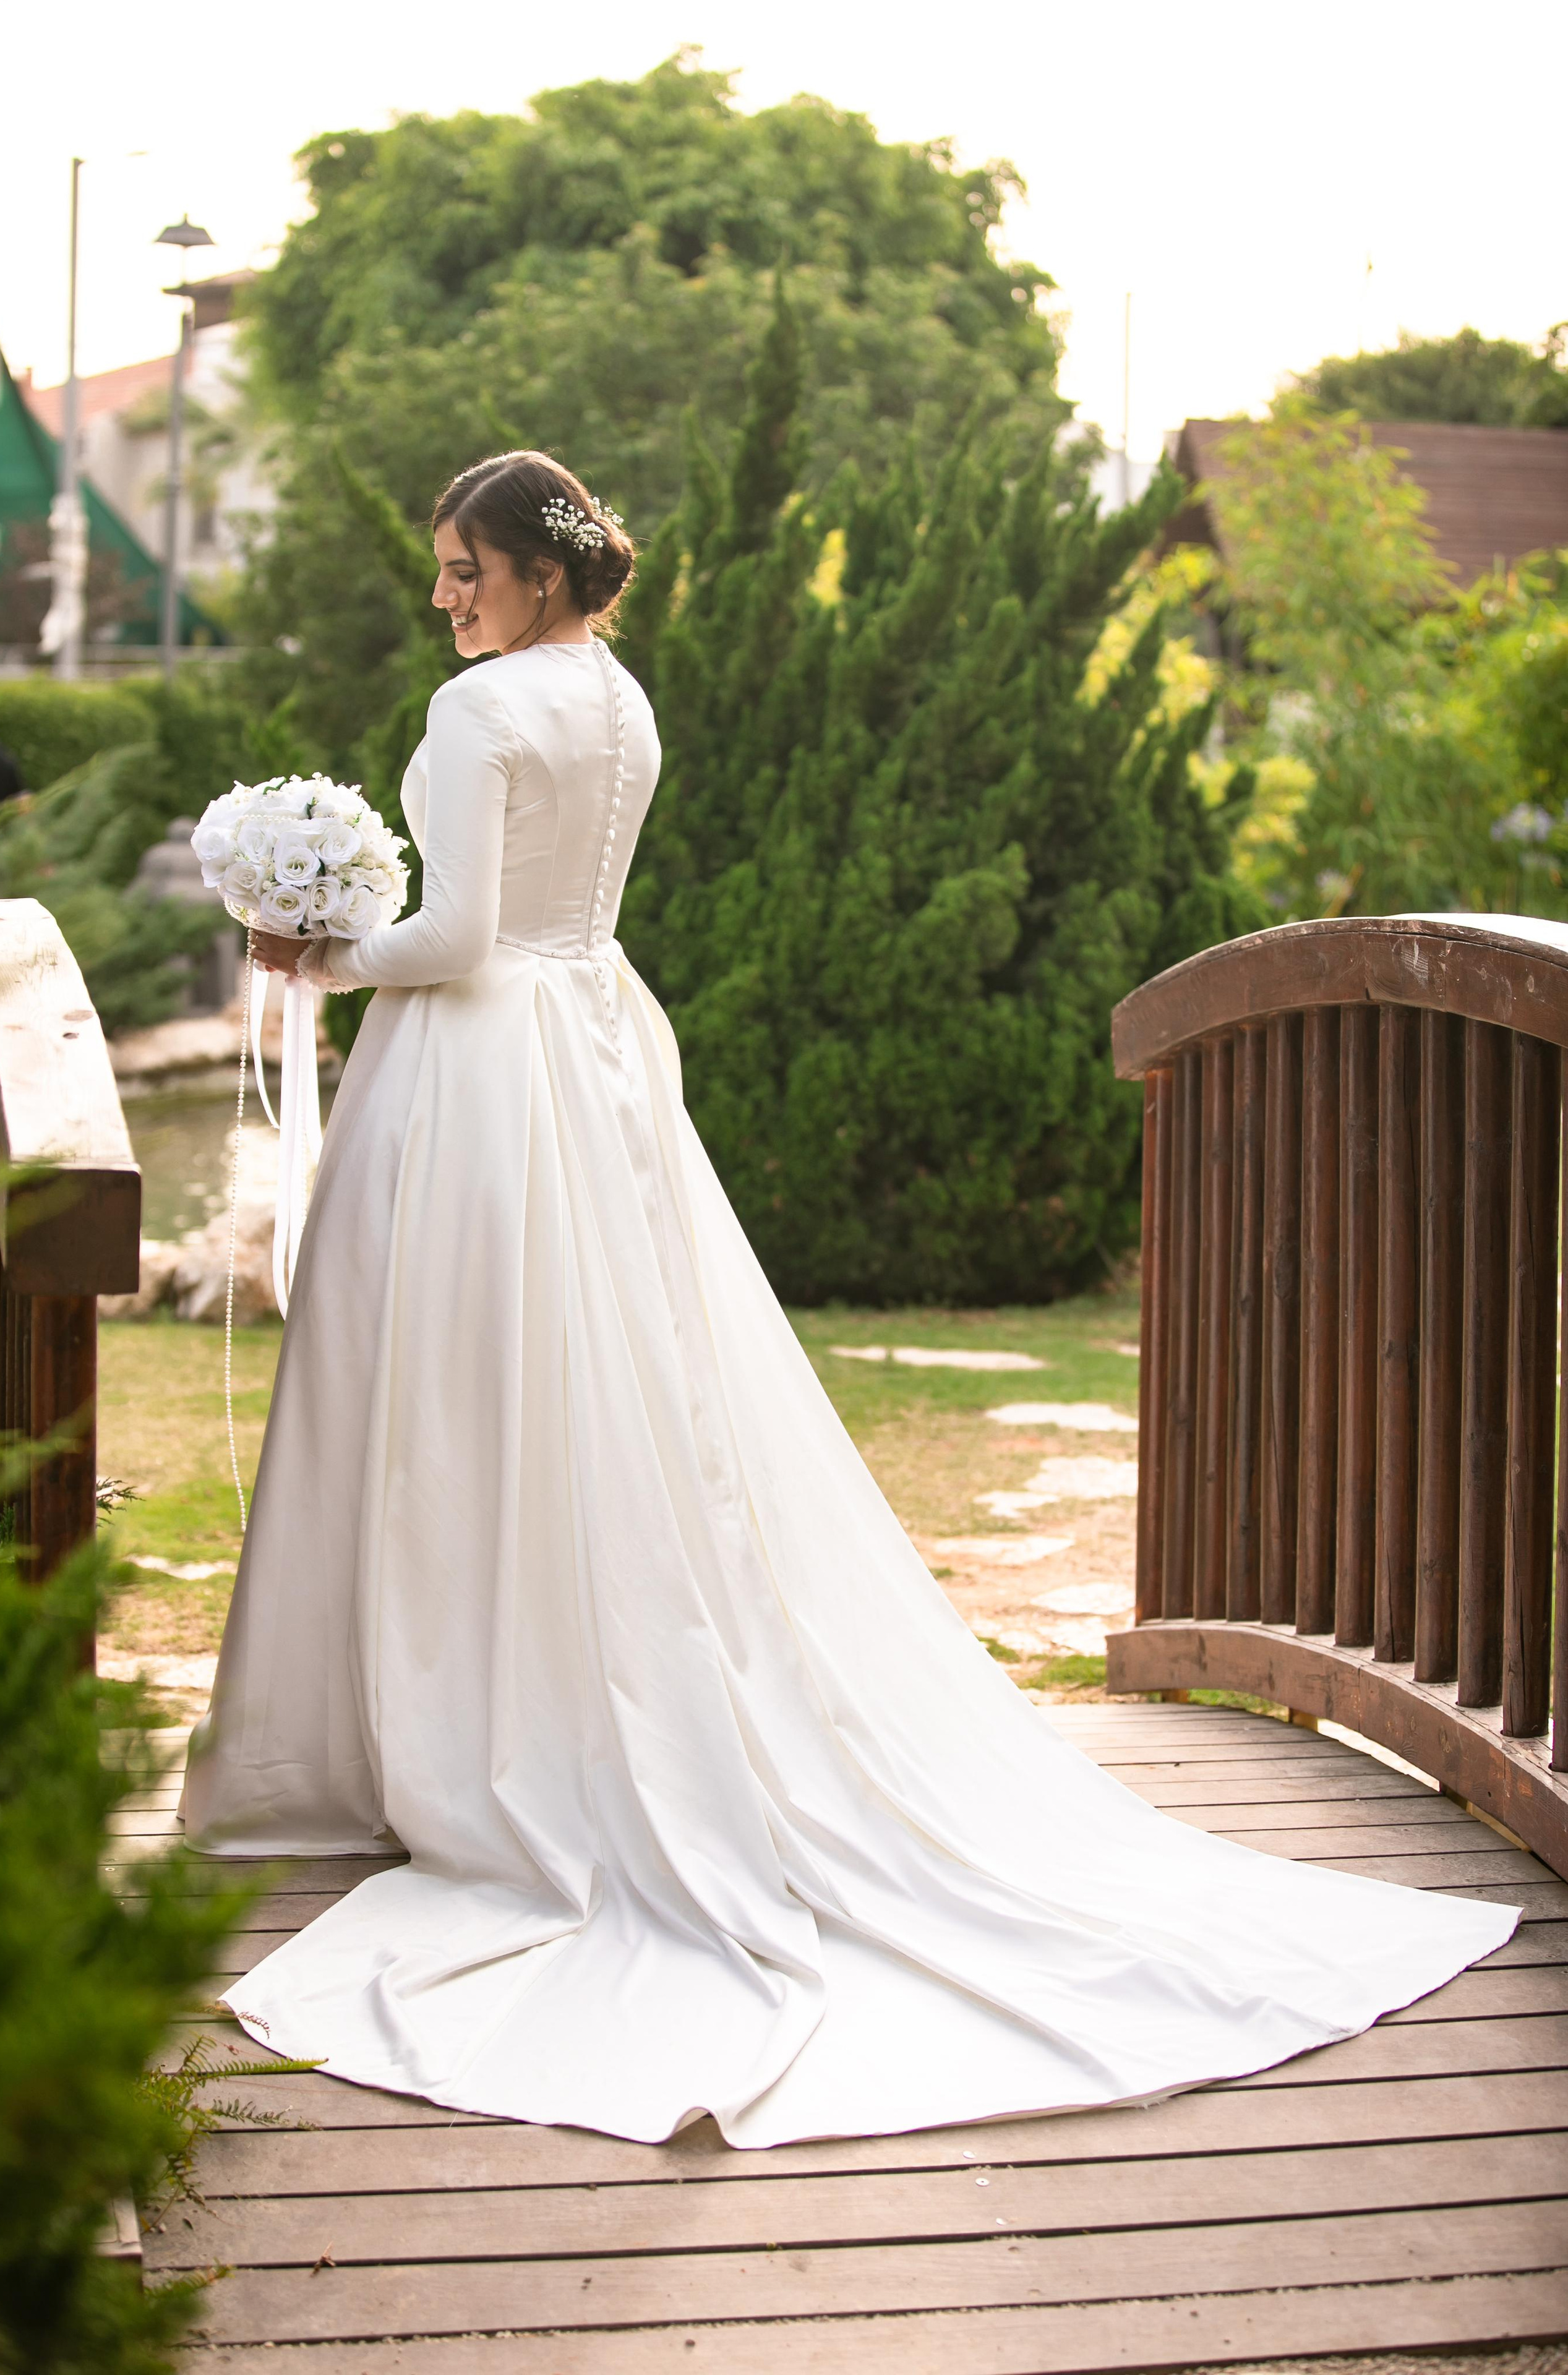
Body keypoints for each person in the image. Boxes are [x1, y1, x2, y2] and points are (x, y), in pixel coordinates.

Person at [182, 450, 1514, 2150]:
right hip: (596, 1054)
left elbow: (455, 941)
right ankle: (543, 1699)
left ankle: (469, 1738)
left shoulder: (474, 720)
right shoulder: (623, 698)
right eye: (443, 568)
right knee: (613, 1394)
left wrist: (319, 950)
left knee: (461, 1398)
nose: (443, 595)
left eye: (465, 568)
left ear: (537, 571)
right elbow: (558, 918)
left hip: (485, 1076)